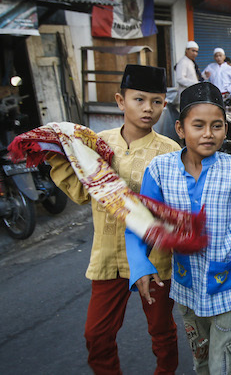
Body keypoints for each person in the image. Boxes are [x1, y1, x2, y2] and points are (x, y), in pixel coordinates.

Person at [125, 82, 231, 375]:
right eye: (198, 125)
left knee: (224, 362)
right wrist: (140, 265)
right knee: (200, 358)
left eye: (217, 126)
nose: (208, 134)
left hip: (227, 285)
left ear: (226, 130)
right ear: (180, 128)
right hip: (186, 287)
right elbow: (141, 223)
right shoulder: (160, 169)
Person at [48, 65, 181, 374]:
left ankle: (166, 370)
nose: (149, 108)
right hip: (108, 256)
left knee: (161, 330)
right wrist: (58, 156)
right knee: (97, 334)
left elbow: (176, 208)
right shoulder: (97, 145)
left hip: (154, 259)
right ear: (121, 101)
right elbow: (82, 194)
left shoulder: (170, 151)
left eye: (157, 101)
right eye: (139, 100)